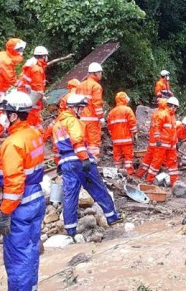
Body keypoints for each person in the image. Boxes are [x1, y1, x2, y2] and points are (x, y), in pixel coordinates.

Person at [52, 94, 123, 236]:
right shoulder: (73, 122)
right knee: (98, 188)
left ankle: (70, 228)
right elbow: (77, 141)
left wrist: (58, 164)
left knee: (69, 195)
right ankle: (112, 216)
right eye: (81, 108)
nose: (82, 110)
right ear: (75, 108)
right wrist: (84, 159)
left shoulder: (57, 125)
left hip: (66, 163)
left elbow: (56, 149)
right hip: (79, 161)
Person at [0, 91, 45, 291]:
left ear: (14, 115)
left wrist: (5, 212)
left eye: (5, 113)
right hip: (35, 200)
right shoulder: (33, 134)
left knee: (18, 257)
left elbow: (14, 184)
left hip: (20, 205)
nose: (2, 116)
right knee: (31, 250)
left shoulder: (13, 143)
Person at [145, 97, 180, 185]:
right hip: (163, 144)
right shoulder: (163, 114)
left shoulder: (172, 116)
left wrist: (176, 141)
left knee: (172, 164)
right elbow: (157, 128)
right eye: (176, 107)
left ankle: (174, 182)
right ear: (172, 106)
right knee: (156, 162)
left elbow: (173, 130)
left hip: (171, 145)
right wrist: (158, 140)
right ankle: (149, 180)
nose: (176, 110)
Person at [135, 97, 168, 178]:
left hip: (152, 141)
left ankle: (139, 174)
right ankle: (149, 178)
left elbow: (153, 128)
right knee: (156, 161)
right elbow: (162, 129)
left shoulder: (155, 114)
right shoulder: (164, 115)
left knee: (147, 160)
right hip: (158, 142)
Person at [107, 91, 138, 176]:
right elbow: (132, 124)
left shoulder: (111, 112)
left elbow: (109, 127)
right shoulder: (127, 110)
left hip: (116, 140)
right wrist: (134, 133)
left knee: (117, 157)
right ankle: (128, 173)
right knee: (128, 157)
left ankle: (118, 172)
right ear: (124, 99)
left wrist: (113, 136)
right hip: (126, 139)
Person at [77, 62, 104, 158]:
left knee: (82, 141)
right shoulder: (96, 86)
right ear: (95, 73)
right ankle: (93, 162)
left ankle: (83, 161)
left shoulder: (80, 85)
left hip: (81, 119)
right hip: (92, 120)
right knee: (93, 144)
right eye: (100, 72)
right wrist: (101, 118)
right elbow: (97, 104)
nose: (101, 75)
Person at [18, 46, 49, 128]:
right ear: (43, 56)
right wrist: (42, 98)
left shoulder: (30, 64)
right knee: (33, 118)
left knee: (31, 116)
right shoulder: (37, 69)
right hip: (33, 97)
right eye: (46, 56)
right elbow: (37, 87)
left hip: (26, 94)